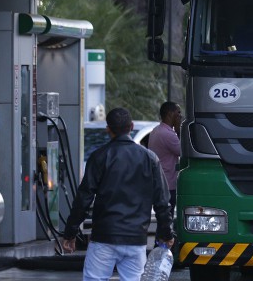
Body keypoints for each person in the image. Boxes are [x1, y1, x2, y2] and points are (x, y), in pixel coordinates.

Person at [62, 107, 173, 281]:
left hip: (104, 238)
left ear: (108, 129)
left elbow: (83, 198)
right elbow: (162, 202)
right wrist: (166, 233)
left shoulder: (99, 157)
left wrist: (70, 233)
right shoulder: (150, 159)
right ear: (131, 126)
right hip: (136, 239)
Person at [148, 101, 182, 218]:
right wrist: (178, 130)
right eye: (178, 113)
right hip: (168, 183)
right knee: (167, 217)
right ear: (169, 114)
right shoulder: (168, 134)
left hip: (160, 181)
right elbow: (183, 152)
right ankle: (165, 237)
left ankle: (163, 236)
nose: (180, 116)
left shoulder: (156, 130)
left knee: (163, 218)